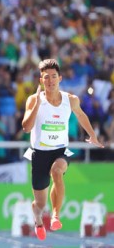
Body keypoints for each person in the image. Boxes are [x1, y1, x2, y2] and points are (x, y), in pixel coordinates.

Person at [21, 59, 104, 241]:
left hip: (60, 150)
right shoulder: (34, 99)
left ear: (60, 78)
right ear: (41, 80)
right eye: (46, 78)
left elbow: (81, 115)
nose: (50, 81)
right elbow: (26, 128)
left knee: (57, 172)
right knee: (40, 204)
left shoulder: (71, 99)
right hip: (39, 153)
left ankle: (56, 216)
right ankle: (38, 220)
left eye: (53, 77)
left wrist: (93, 135)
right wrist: (36, 106)